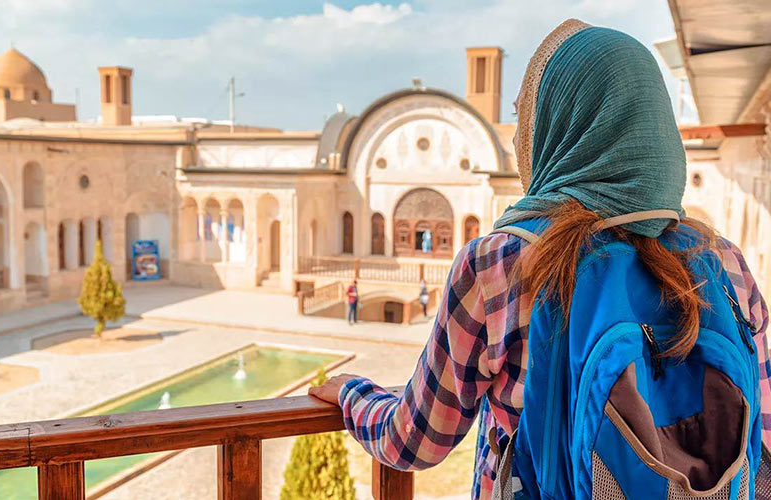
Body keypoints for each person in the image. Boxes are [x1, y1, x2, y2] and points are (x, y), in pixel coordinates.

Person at [311, 20, 771, 500]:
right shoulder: (721, 262)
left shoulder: (499, 265)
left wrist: (351, 395)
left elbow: (415, 440)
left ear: (558, 126)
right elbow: (762, 427)